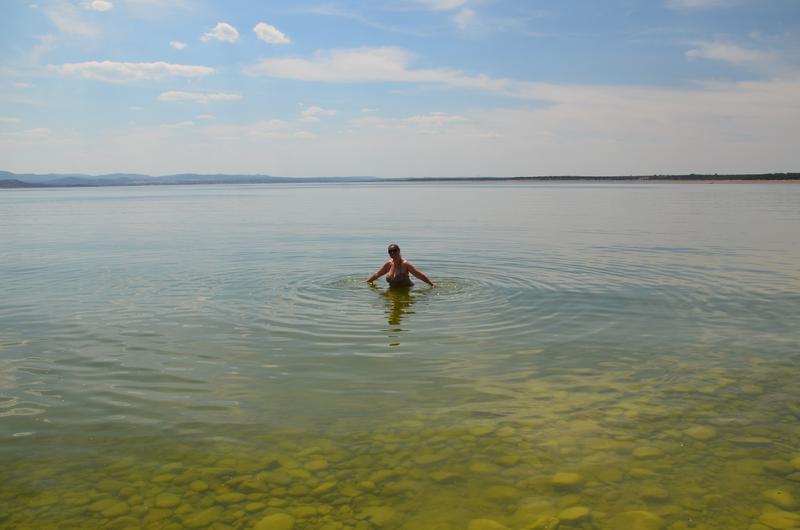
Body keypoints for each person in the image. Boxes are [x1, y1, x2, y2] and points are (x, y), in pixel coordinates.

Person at [366, 244, 435, 288]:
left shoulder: (405, 264)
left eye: (394, 250)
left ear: (399, 251)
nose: (392, 253)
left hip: (406, 291)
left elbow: (419, 275)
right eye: (390, 251)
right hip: (392, 291)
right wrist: (367, 281)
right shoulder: (389, 264)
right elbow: (377, 274)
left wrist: (431, 285)